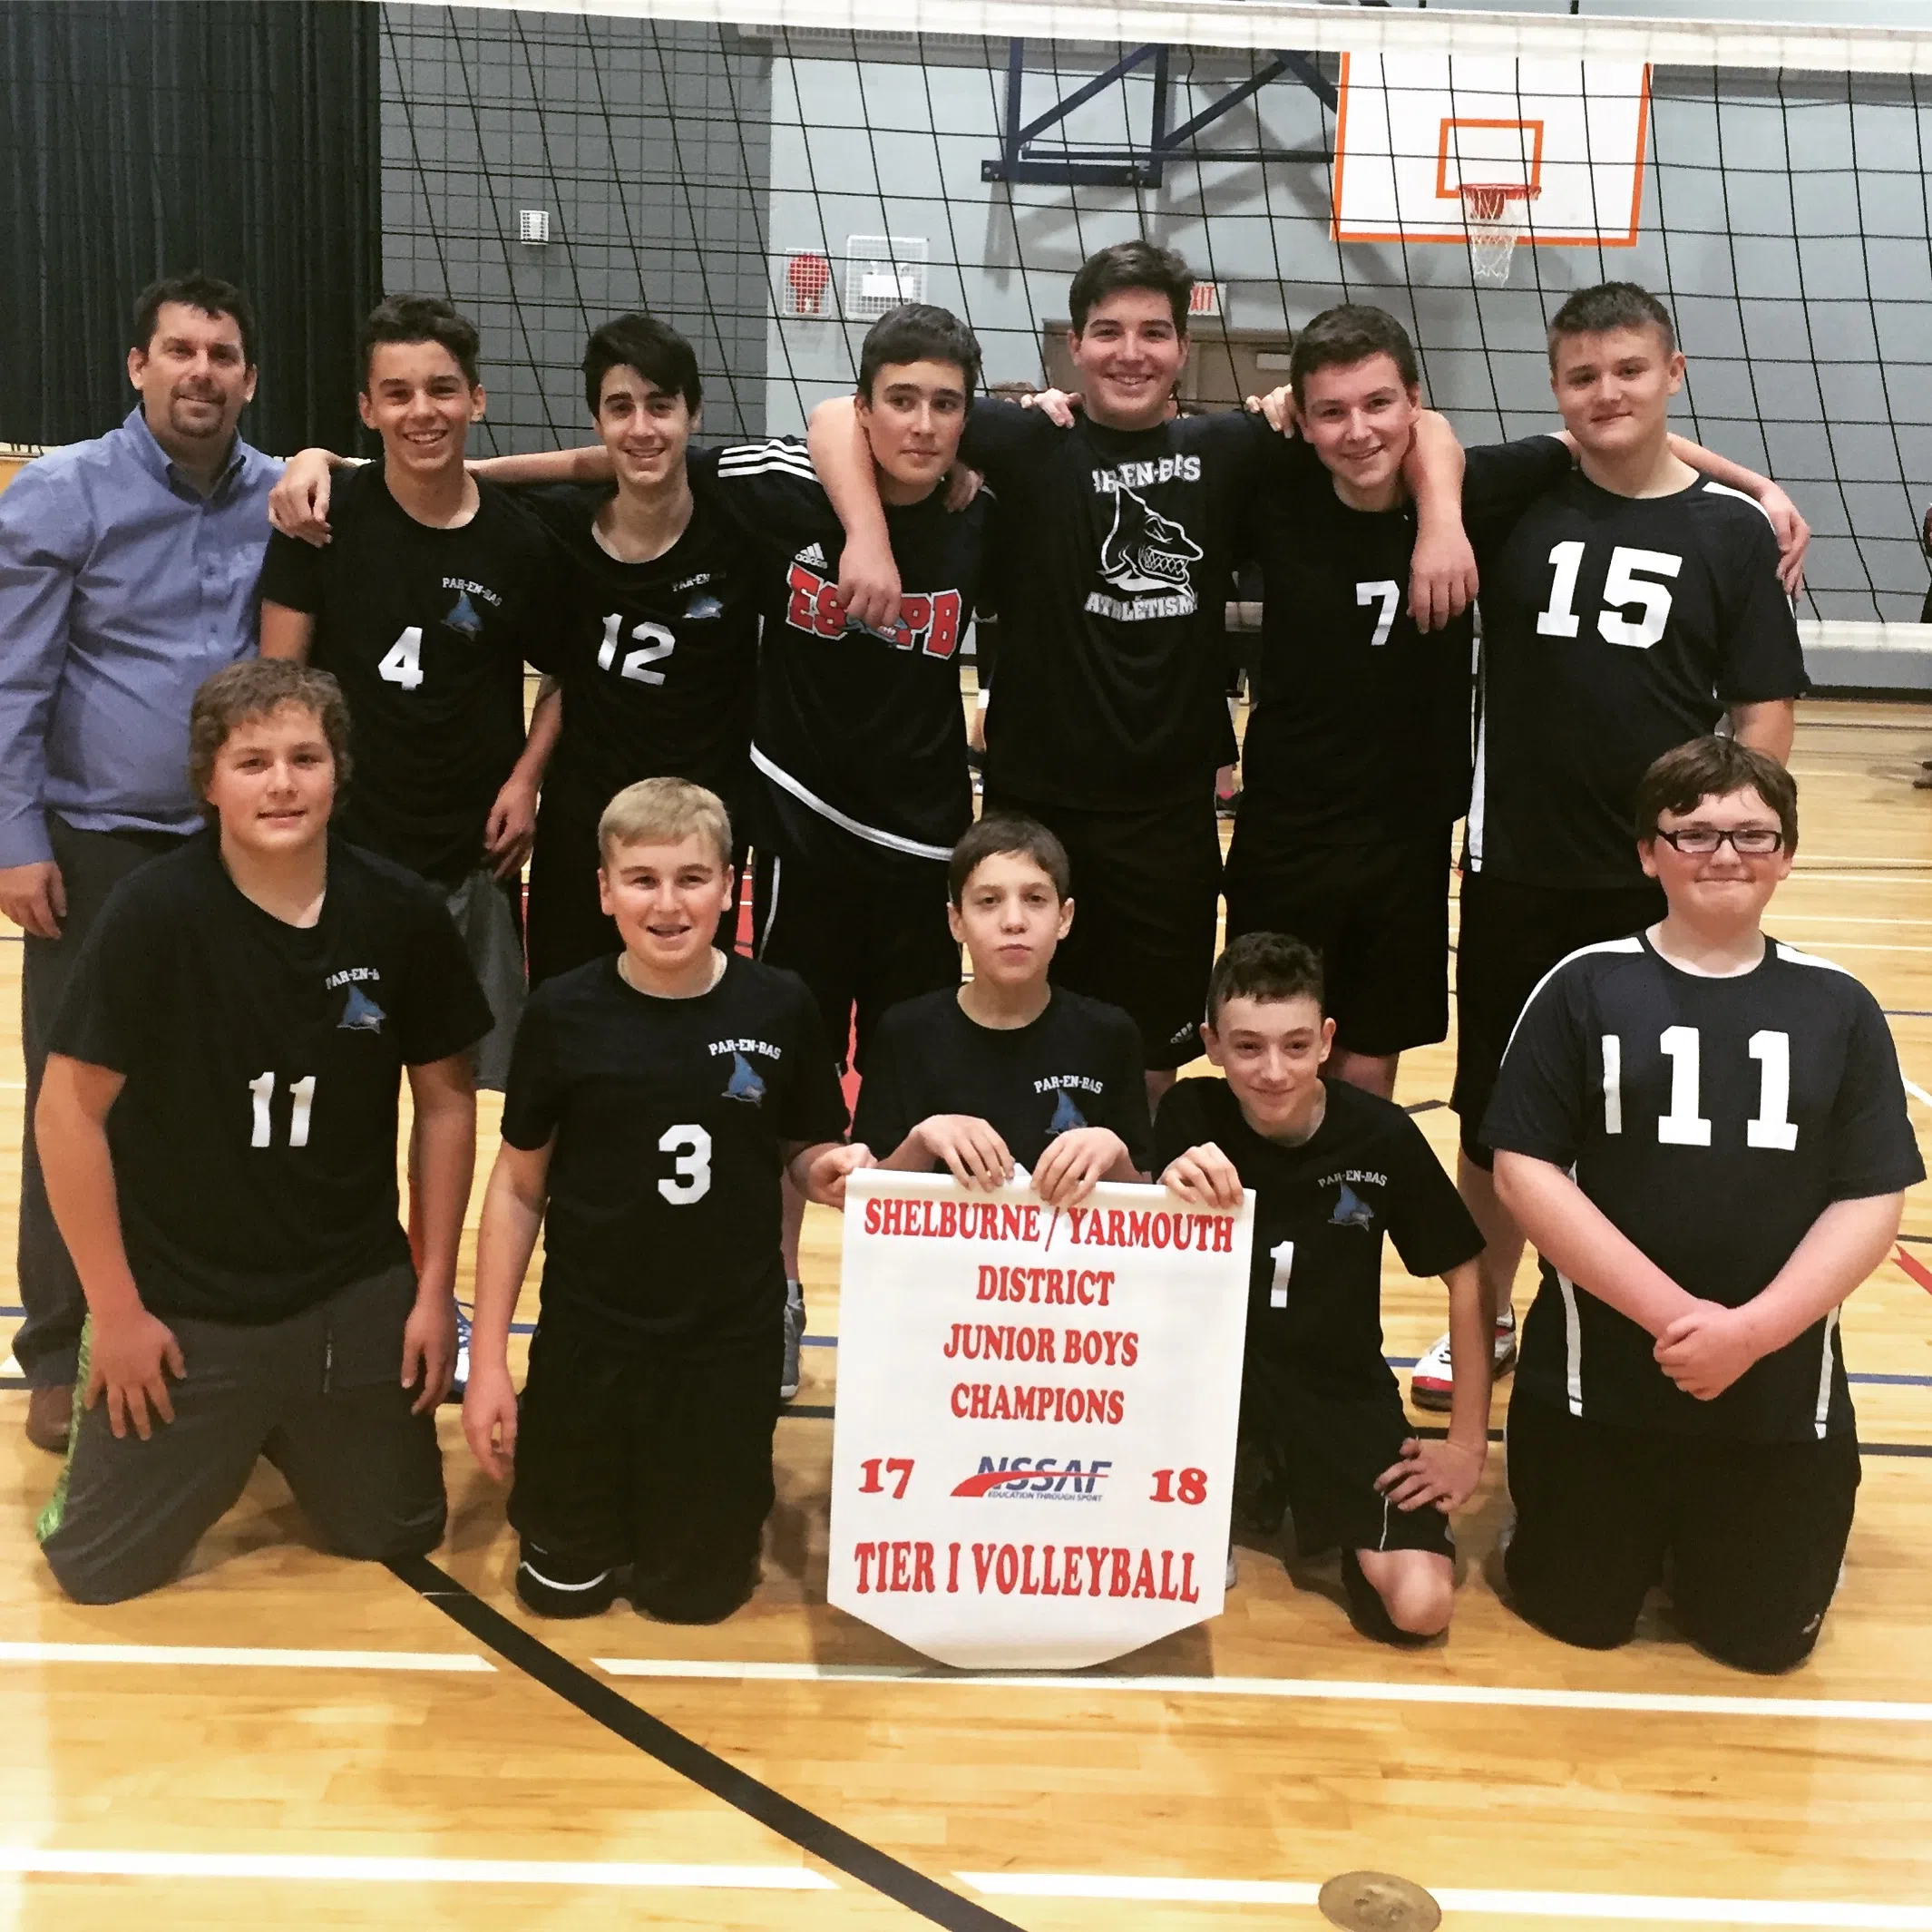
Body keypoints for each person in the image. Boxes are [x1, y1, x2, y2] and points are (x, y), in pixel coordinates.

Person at [809, 241, 1476, 1101]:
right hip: (1036, 806)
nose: (1132, 352)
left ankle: (1135, 1186)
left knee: (1149, 1057)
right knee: (1013, 1024)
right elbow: (839, 413)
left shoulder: (1233, 446)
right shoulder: (1024, 437)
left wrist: (1442, 520)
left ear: (1183, 348)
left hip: (1168, 818)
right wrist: (866, 538)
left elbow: (1423, 426)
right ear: (1075, 346)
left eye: (1154, 332)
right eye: (1108, 331)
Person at [1230, 302, 1803, 1111]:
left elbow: (1601, 435)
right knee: (1286, 1051)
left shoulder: (1489, 496)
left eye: (1379, 404)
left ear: (1414, 402)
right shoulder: (1276, 475)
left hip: (1417, 838)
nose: (1357, 429)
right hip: (1307, 832)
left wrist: (1755, 486)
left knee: (1378, 1059)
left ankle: (1351, 1195)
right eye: (1331, 410)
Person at [1416, 280, 1812, 1413]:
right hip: (1519, 866)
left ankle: (1625, 1311)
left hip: (1662, 878)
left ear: (1673, 374)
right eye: (1582, 376)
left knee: (1644, 1111)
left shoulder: (1727, 533)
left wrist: (1736, 846)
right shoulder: (1520, 496)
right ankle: (1486, 1315)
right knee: (1494, 1115)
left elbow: (1763, 705)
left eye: (1631, 370)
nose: (1608, 393)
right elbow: (1427, 435)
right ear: (1555, 389)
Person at [34, 659, 492, 1603]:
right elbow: (67, 1114)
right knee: (97, 1572)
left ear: (338, 772)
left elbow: (448, 1105)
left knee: (394, 1529)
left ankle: (285, 1417)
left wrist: (431, 1290)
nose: (282, 783)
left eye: (304, 758)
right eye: (252, 762)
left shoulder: (398, 911)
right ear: (208, 781)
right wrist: (115, 1314)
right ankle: (242, 1409)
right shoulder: (153, 913)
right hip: (185, 1300)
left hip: (348, 1292)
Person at [1484, 736, 1920, 1672]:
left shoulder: (1839, 1006)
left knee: (1759, 1644)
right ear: (1649, 853)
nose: (1725, 854)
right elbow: (1525, 1172)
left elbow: (1871, 1200)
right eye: (1695, 834)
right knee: (1578, 1617)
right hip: (1597, 1392)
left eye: (1753, 835)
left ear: (1787, 855)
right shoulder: (1584, 986)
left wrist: (1752, 1333)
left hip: (1776, 1401)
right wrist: (1677, 1319)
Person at [462, 778, 862, 1625]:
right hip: (590, 1344)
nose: (668, 904)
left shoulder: (780, 1005)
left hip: (724, 1349)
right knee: (559, 1596)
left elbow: (802, 1151)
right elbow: (519, 1185)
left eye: (692, 878)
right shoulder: (563, 1012)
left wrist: (824, 1169)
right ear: (604, 890)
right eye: (642, 879)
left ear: (729, 886)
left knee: (693, 1599)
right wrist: (490, 1359)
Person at [0, 272, 283, 1453]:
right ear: (137, 366)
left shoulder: (284, 494)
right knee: (77, 1101)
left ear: (250, 378)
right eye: (178, 351)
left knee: (216, 1102)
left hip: (236, 858)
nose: (199, 372)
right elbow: (12, 679)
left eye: (221, 355)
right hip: (97, 847)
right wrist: (15, 840)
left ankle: (198, 1334)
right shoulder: (64, 492)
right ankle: (60, 1347)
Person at [259, 294, 559, 1092]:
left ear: (476, 399)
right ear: (367, 410)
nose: (422, 412)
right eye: (397, 393)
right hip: (343, 855)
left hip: (471, 855)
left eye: (442, 389)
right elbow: (278, 685)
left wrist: (527, 780)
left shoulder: (519, 541)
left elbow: (567, 672)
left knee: (454, 1090)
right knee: (337, 1086)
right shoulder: (322, 522)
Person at [1154, 933, 1490, 1643]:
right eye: (1248, 1047)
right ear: (1211, 1045)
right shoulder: (1188, 1115)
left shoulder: (1379, 1136)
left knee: (1421, 1607)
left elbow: (1467, 1276)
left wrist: (1465, 1445)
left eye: (1297, 1046)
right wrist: (1158, 1188)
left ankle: (1314, 1500)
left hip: (1337, 1386)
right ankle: (1253, 1476)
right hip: (1209, 1384)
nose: (1274, 1070)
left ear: (1328, 1041)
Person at [850, 814, 1150, 1206]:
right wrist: (922, 1142)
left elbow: (1144, 1198)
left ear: (1064, 918)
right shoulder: (904, 1033)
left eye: (1035, 899)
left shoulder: (1110, 1035)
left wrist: (1114, 1153)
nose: (1013, 921)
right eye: (989, 901)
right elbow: (866, 1200)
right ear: (956, 921)